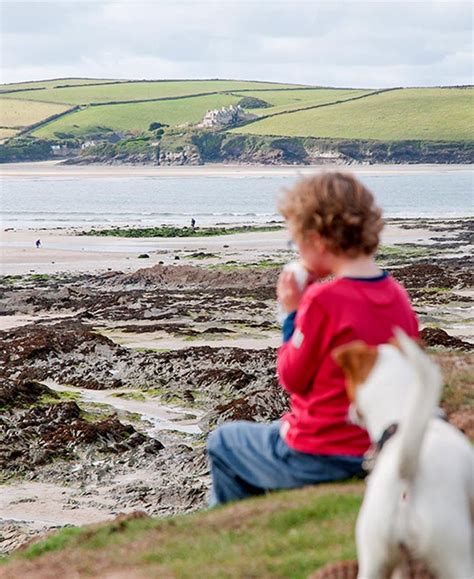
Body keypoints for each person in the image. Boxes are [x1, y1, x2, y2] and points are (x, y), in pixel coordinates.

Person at [207, 171, 419, 506]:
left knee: (223, 441)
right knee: (268, 433)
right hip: (377, 445)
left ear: (318, 239)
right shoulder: (396, 295)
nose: (297, 249)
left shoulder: (323, 300)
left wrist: (291, 314)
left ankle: (232, 537)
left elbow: (293, 378)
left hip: (320, 454)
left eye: (296, 241)